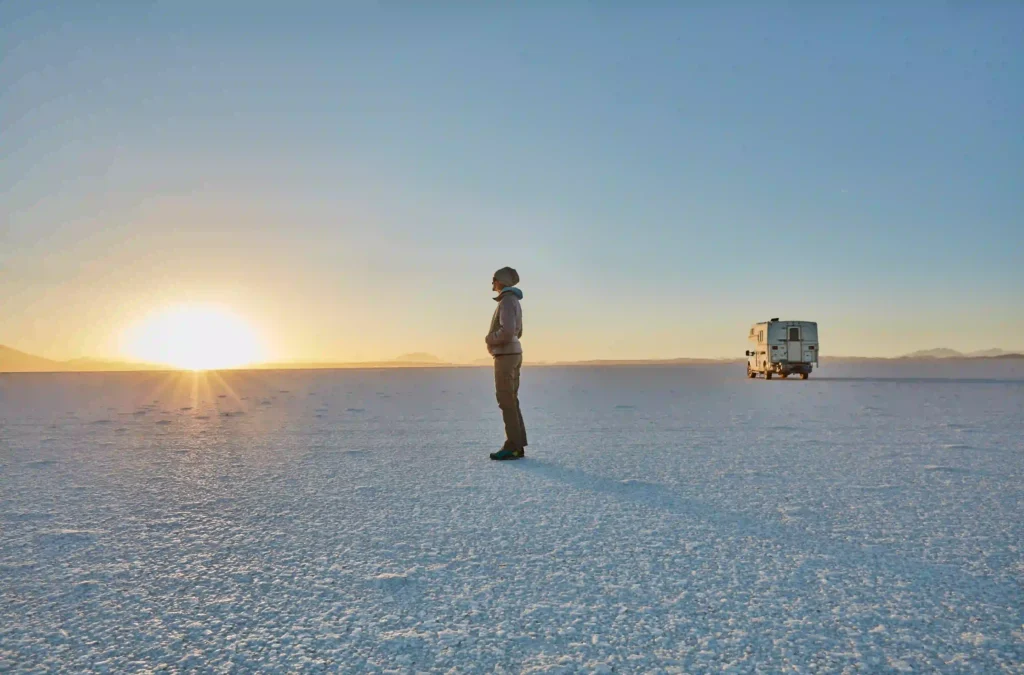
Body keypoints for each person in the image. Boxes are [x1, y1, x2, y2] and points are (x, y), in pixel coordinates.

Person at [486, 266, 527, 460]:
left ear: (500, 280)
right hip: (513, 353)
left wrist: (490, 338)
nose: (492, 283)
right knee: (511, 399)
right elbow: (518, 332)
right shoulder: (512, 301)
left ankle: (512, 446)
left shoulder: (507, 301)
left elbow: (509, 331)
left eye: (494, 279)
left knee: (506, 400)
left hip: (506, 356)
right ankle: (517, 445)